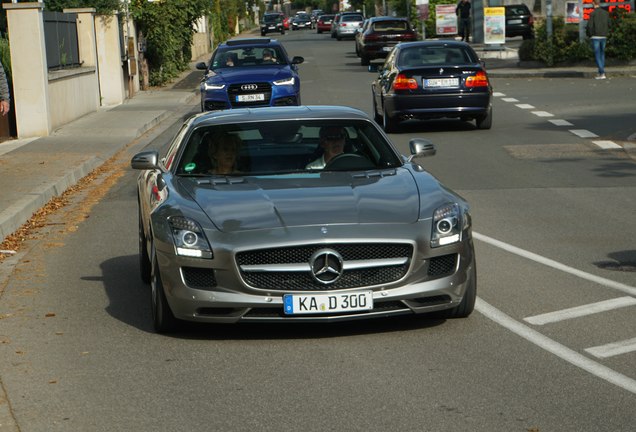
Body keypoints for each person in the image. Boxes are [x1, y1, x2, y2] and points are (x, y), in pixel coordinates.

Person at [587, 0, 611, 80]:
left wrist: (589, 34)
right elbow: (609, 24)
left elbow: (590, 26)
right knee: (602, 54)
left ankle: (602, 72)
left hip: (595, 36)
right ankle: (601, 73)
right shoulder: (606, 13)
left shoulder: (592, 13)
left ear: (593, 3)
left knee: (597, 54)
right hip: (604, 35)